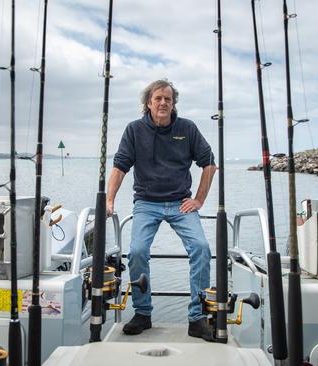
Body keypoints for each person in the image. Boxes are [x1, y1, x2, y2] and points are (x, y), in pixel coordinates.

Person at [106, 79, 217, 339]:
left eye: (168, 98)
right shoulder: (134, 130)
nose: (163, 103)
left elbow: (209, 163)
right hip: (146, 203)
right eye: (158, 98)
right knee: (137, 251)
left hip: (181, 203)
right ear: (148, 102)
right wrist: (109, 200)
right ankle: (143, 313)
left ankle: (197, 318)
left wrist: (199, 200)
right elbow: (120, 166)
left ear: (173, 103)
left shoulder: (187, 129)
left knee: (201, 248)